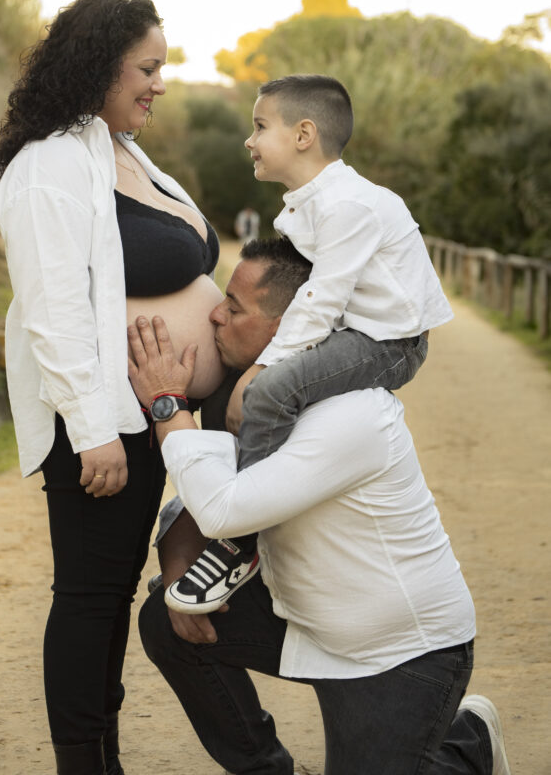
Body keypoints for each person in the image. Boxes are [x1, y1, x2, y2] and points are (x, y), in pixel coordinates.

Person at [129, 238, 512, 775]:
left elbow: (224, 509)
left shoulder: (352, 415)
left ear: (294, 328)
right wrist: (181, 581)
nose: (216, 314)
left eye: (235, 307)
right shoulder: (247, 398)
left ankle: (466, 744)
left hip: (397, 654)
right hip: (305, 622)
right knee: (165, 623)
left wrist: (166, 405)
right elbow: (195, 502)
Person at [0, 0, 226, 775]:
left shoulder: (115, 147)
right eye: (148, 68)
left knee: (118, 592)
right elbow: (52, 306)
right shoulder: (49, 163)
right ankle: (85, 764)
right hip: (103, 423)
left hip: (156, 413)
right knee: (92, 597)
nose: (159, 83)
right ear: (100, 64)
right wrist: (94, 431)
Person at [166, 74, 454, 615]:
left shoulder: (349, 205)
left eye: (259, 126)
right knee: (264, 384)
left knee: (271, 392)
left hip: (389, 342)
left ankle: (241, 537)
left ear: (303, 134)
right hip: (358, 331)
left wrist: (260, 370)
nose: (249, 141)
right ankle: (227, 503)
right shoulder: (303, 205)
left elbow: (322, 297)